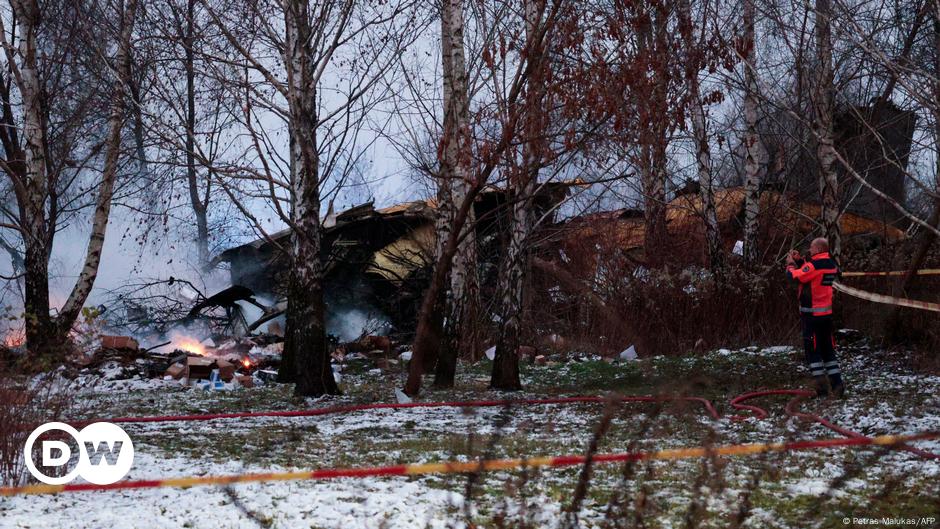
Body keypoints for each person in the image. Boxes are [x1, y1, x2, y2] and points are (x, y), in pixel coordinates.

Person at [785, 237, 845, 397]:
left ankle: (821, 389)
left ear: (818, 249)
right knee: (828, 351)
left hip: (811, 316)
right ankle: (837, 384)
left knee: (813, 352)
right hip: (826, 315)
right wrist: (800, 260)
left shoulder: (814, 265)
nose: (809, 251)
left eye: (812, 248)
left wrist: (790, 264)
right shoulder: (831, 264)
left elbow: (796, 277)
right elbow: (810, 274)